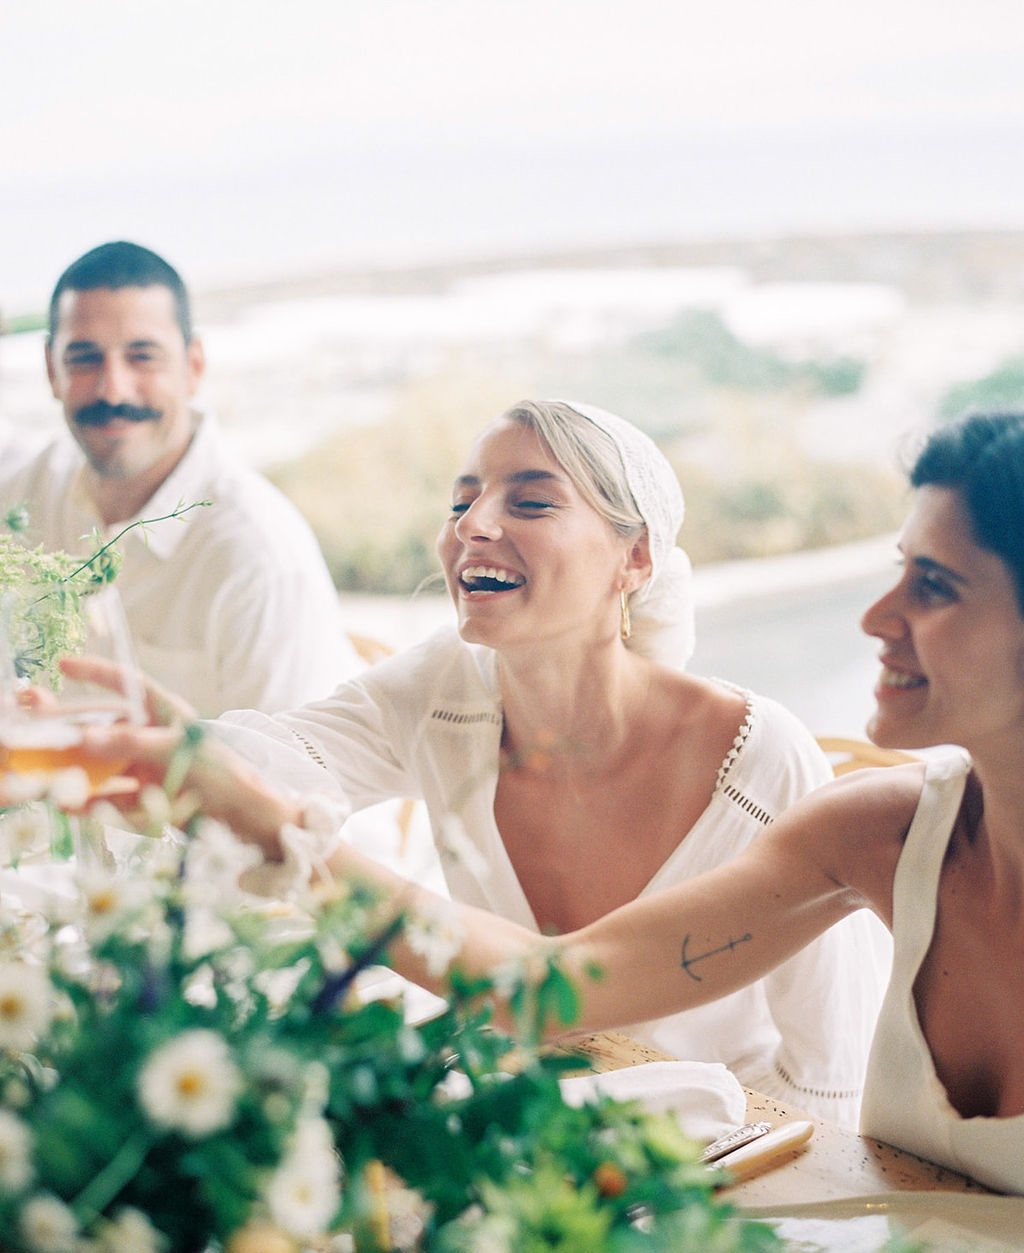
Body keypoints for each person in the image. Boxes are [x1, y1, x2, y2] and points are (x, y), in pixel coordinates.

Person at [90, 407, 1023, 1192]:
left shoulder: (770, 769)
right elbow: (545, 988)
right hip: (598, 1171)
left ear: (635, 558)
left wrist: (282, 833)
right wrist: (199, 771)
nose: (873, 616)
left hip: (749, 1174)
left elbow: (828, 1095)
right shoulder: (869, 833)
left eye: (934, 585)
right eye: (460, 501)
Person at [0, 241, 361, 715]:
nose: (113, 389)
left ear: (193, 366)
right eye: (84, 358)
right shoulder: (20, 500)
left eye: (142, 356)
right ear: (51, 370)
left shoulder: (258, 555)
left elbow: (297, 759)